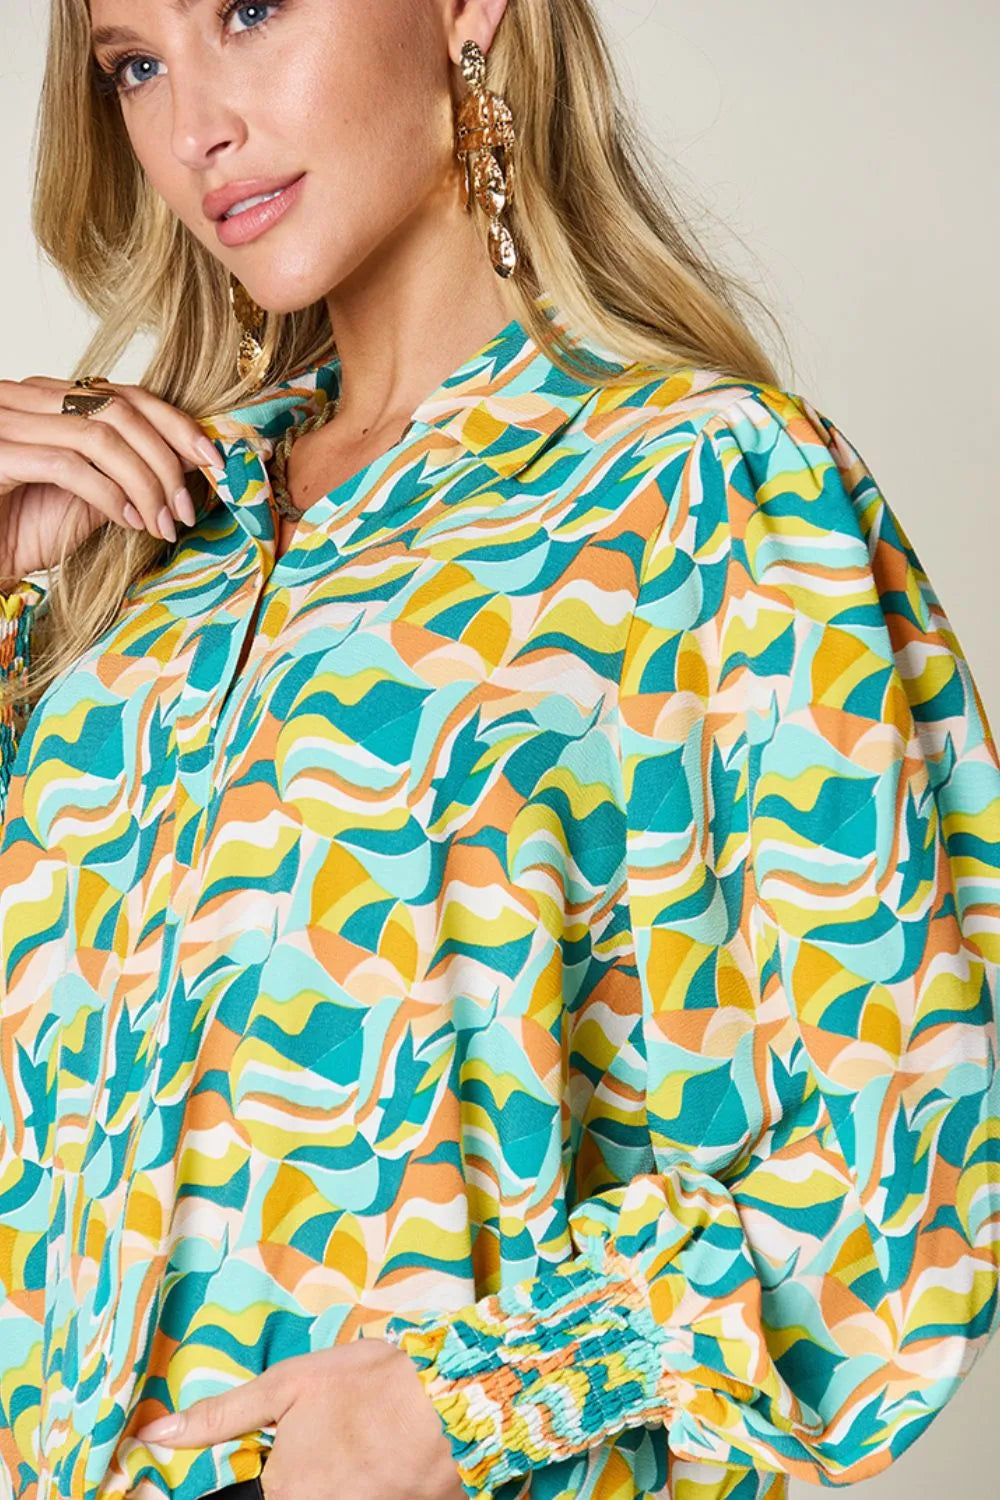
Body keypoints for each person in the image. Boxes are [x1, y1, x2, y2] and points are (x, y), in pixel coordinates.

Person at [1, 2, 998, 1500]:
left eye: (251, 10)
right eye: (135, 65)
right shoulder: (133, 546)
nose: (193, 125)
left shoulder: (701, 496)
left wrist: (457, 1402)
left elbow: (910, 1180)